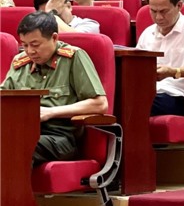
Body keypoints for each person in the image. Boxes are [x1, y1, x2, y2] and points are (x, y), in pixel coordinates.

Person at [0, 11, 107, 165]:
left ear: (54, 38)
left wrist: (50, 112)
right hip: (21, 130)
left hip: (59, 137)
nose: (30, 51)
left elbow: (100, 104)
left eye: (35, 45)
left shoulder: (73, 58)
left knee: (14, 143)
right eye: (24, 45)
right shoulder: (20, 62)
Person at [33, 0, 99, 34]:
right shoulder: (38, 29)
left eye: (57, 13)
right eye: (46, 15)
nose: (50, 19)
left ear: (69, 6)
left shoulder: (90, 25)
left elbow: (75, 39)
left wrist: (52, 13)